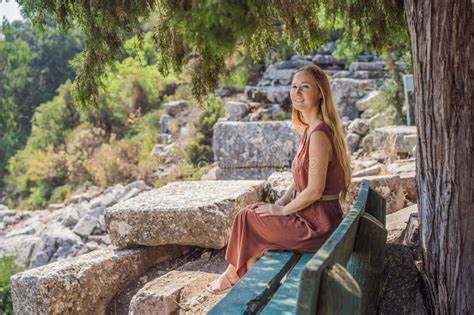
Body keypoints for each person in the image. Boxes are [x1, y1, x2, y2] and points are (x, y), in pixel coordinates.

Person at [206, 64, 352, 294]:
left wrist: (282, 212)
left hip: (318, 226)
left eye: (305, 87)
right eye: (294, 87)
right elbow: (299, 180)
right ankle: (250, 285)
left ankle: (235, 275)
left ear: (320, 93)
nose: (297, 92)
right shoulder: (310, 131)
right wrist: (280, 204)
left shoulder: (320, 134)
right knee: (254, 213)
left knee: (247, 218)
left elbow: (314, 190)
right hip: (314, 219)